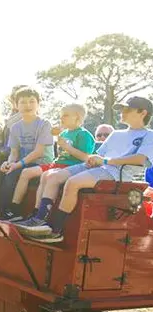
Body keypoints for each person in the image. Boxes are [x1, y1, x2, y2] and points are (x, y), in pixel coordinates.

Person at [17, 95, 153, 243]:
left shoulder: (149, 135)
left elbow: (140, 159)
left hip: (117, 174)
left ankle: (55, 230)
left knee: (73, 182)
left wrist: (106, 160)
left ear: (143, 113)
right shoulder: (116, 134)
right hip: (101, 167)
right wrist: (93, 159)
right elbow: (99, 155)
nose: (123, 112)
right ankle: (38, 220)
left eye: (127, 109)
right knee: (52, 177)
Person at [1, 103, 95, 221]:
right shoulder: (64, 133)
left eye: (65, 115)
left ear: (77, 117)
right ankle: (16, 209)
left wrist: (67, 147)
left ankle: (37, 212)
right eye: (61, 115)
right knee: (26, 172)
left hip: (70, 166)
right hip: (56, 164)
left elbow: (85, 157)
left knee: (43, 175)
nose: (61, 118)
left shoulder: (83, 134)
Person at [0, 87, 55, 217]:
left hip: (40, 163)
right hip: (22, 162)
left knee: (12, 174)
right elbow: (14, 153)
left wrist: (16, 165)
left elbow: (38, 152)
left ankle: (7, 212)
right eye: (23, 102)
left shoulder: (44, 124)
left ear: (38, 104)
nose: (28, 105)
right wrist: (8, 163)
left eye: (32, 101)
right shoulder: (15, 127)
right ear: (16, 105)